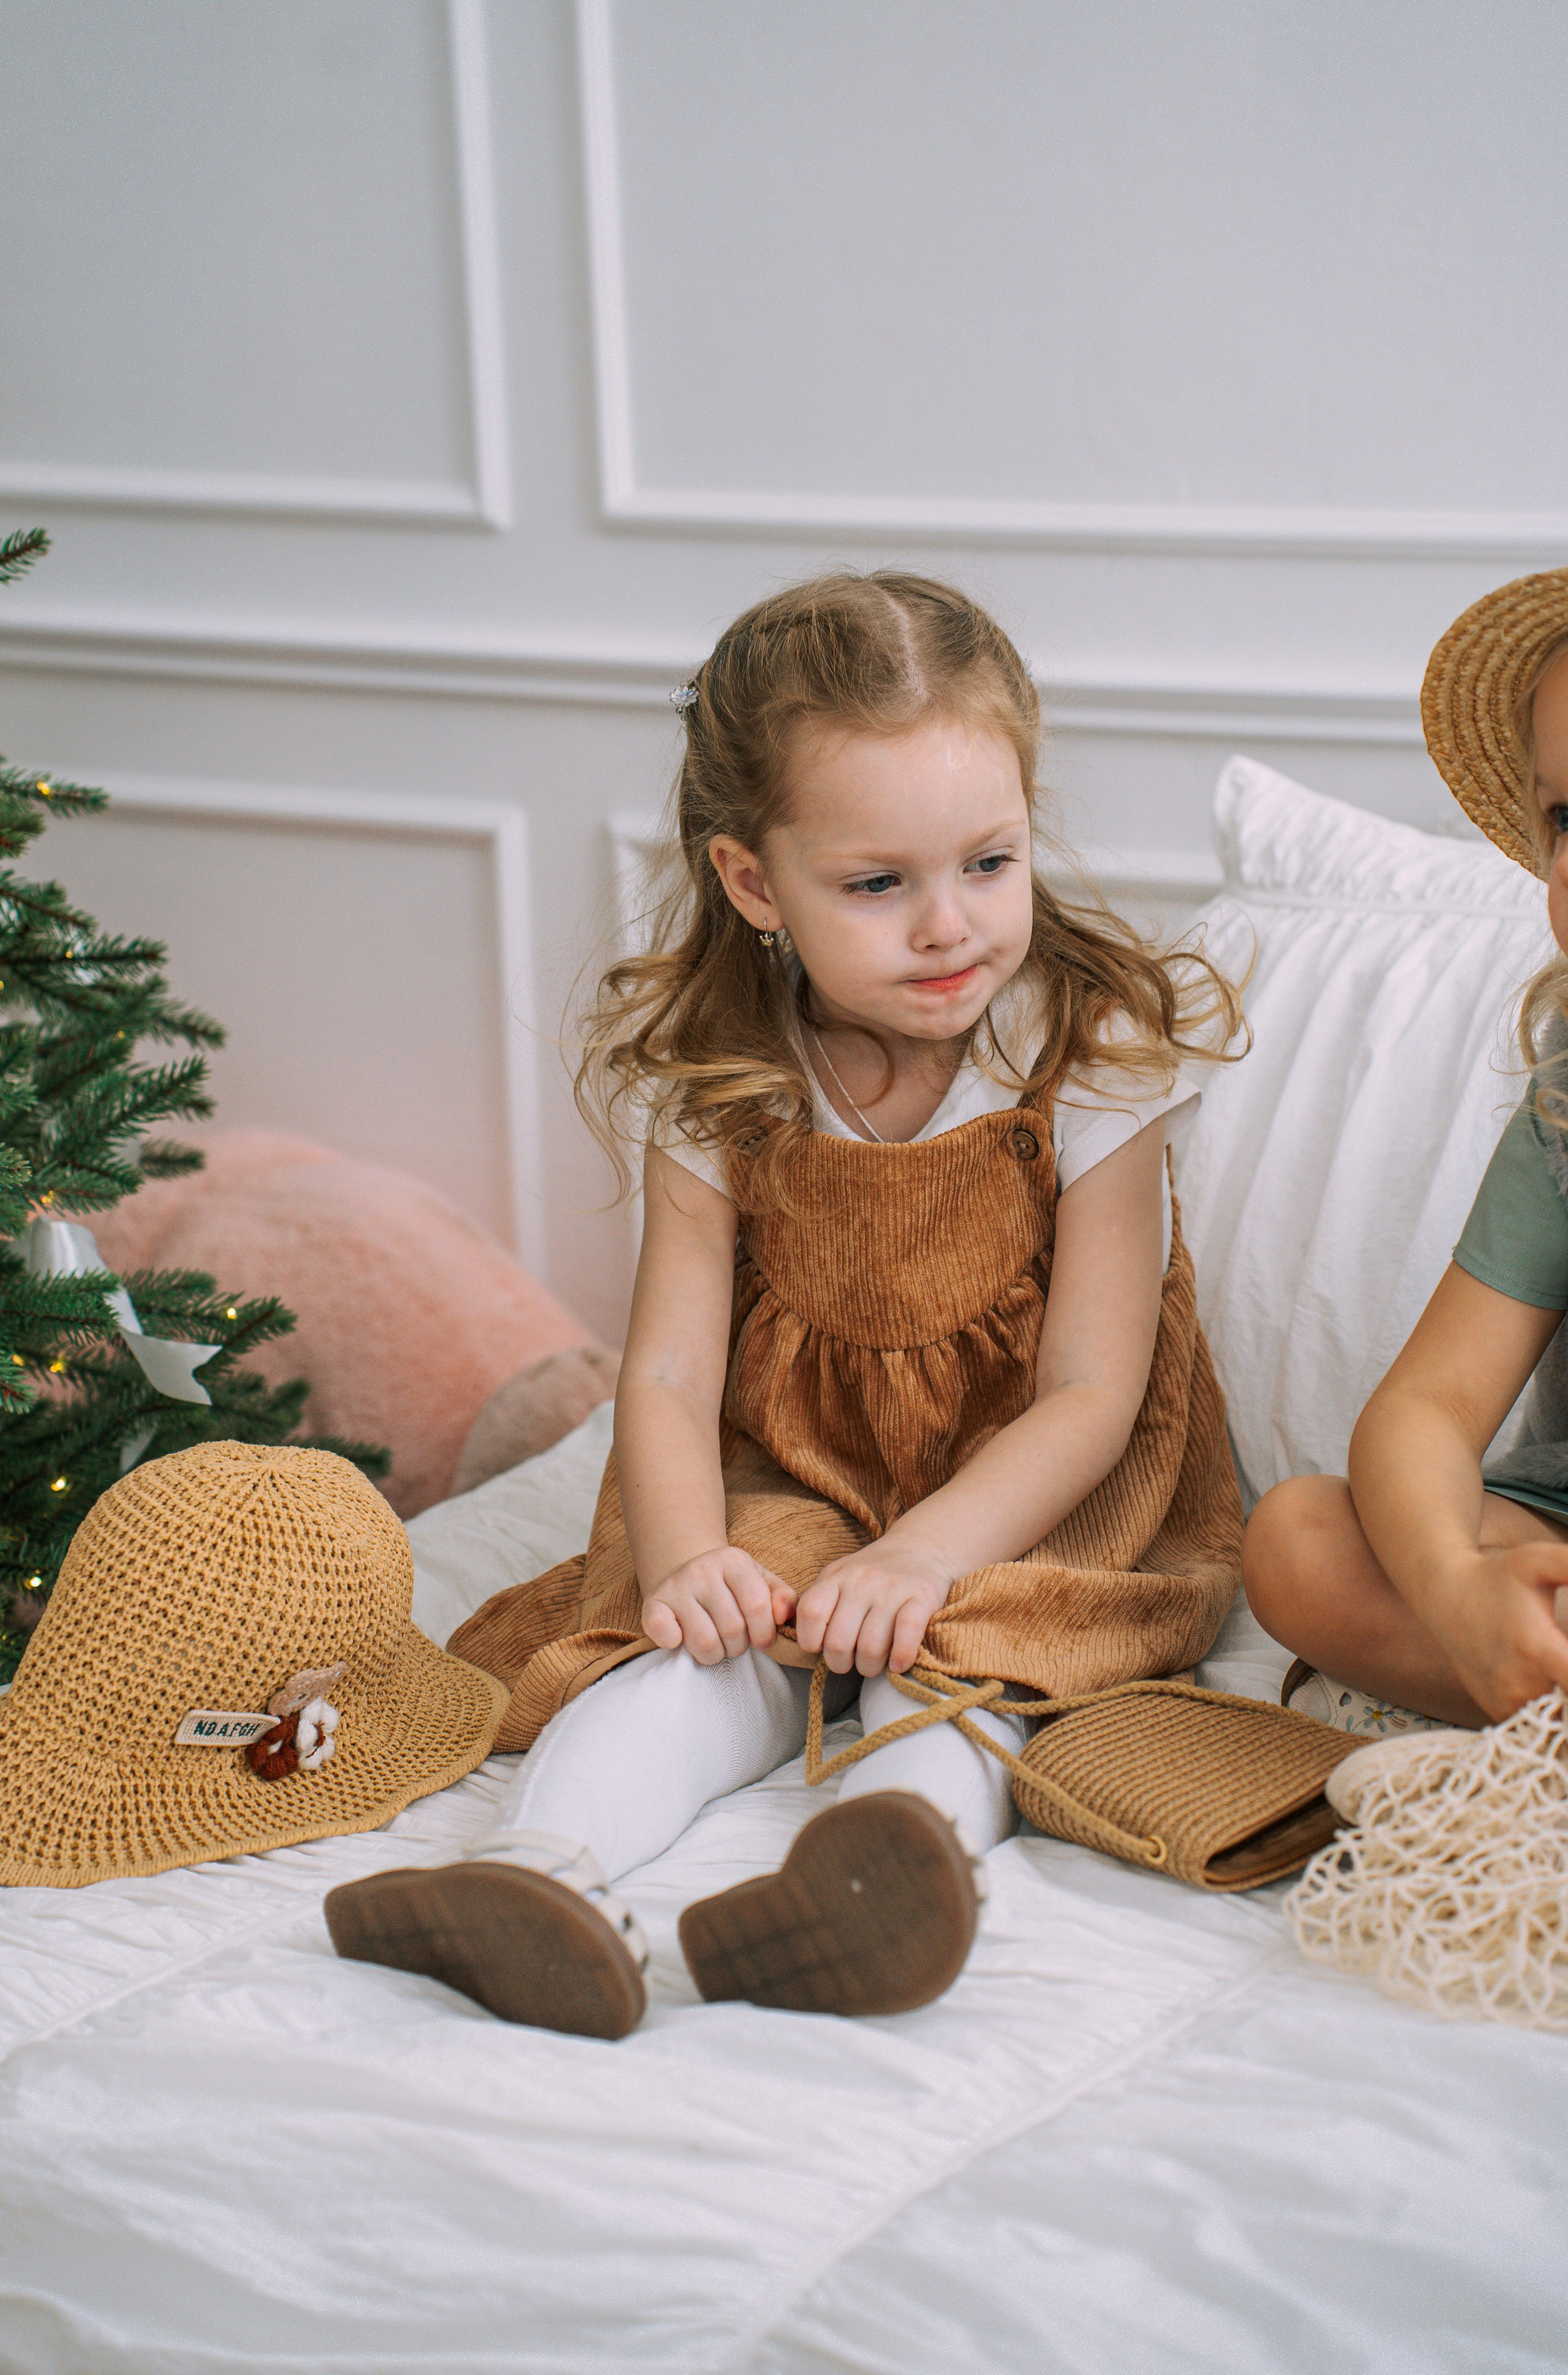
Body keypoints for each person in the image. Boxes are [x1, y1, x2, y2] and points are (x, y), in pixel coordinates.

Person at [330, 572, 1244, 2038]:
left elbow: (1092, 1392)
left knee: (973, 1652)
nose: (949, 928)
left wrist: (925, 1559)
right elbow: (673, 1377)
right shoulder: (726, 1074)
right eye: (877, 885)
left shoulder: (1084, 1052)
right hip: (801, 1463)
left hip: (1027, 1489)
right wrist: (688, 1556)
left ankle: (887, 1876)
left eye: (990, 862)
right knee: (703, 1636)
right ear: (755, 883)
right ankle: (538, 1874)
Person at [1245, 569, 1568, 1740]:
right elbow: (1425, 1410)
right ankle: (1503, 1676)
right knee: (1297, 1539)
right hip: (1551, 1545)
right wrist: (1460, 1593)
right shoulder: (1567, 1105)